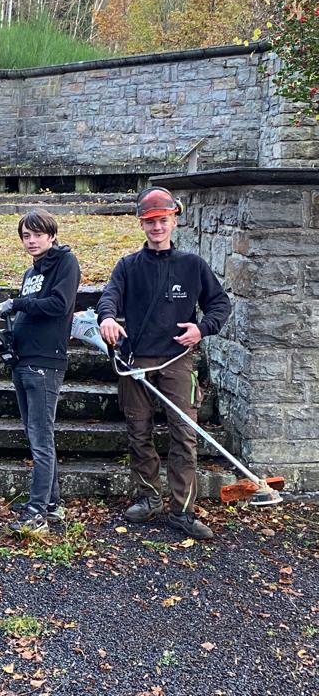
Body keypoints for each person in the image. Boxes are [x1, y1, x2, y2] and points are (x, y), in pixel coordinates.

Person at [97, 186, 231, 541]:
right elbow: (109, 297)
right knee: (139, 432)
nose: (157, 227)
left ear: (174, 220)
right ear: (142, 225)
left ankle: (182, 511)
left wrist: (202, 329)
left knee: (184, 436)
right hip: (135, 361)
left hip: (177, 360)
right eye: (150, 221)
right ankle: (149, 498)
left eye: (163, 220)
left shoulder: (192, 265)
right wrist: (107, 318)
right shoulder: (127, 266)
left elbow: (220, 304)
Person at [0, 210, 80, 534]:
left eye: (37, 234)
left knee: (41, 439)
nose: (32, 241)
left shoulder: (65, 264)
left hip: (46, 363)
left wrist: (16, 304)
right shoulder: (32, 272)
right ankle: (52, 504)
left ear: (51, 235)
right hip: (23, 360)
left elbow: (58, 304)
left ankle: (37, 512)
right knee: (35, 435)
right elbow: (29, 310)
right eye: (26, 236)